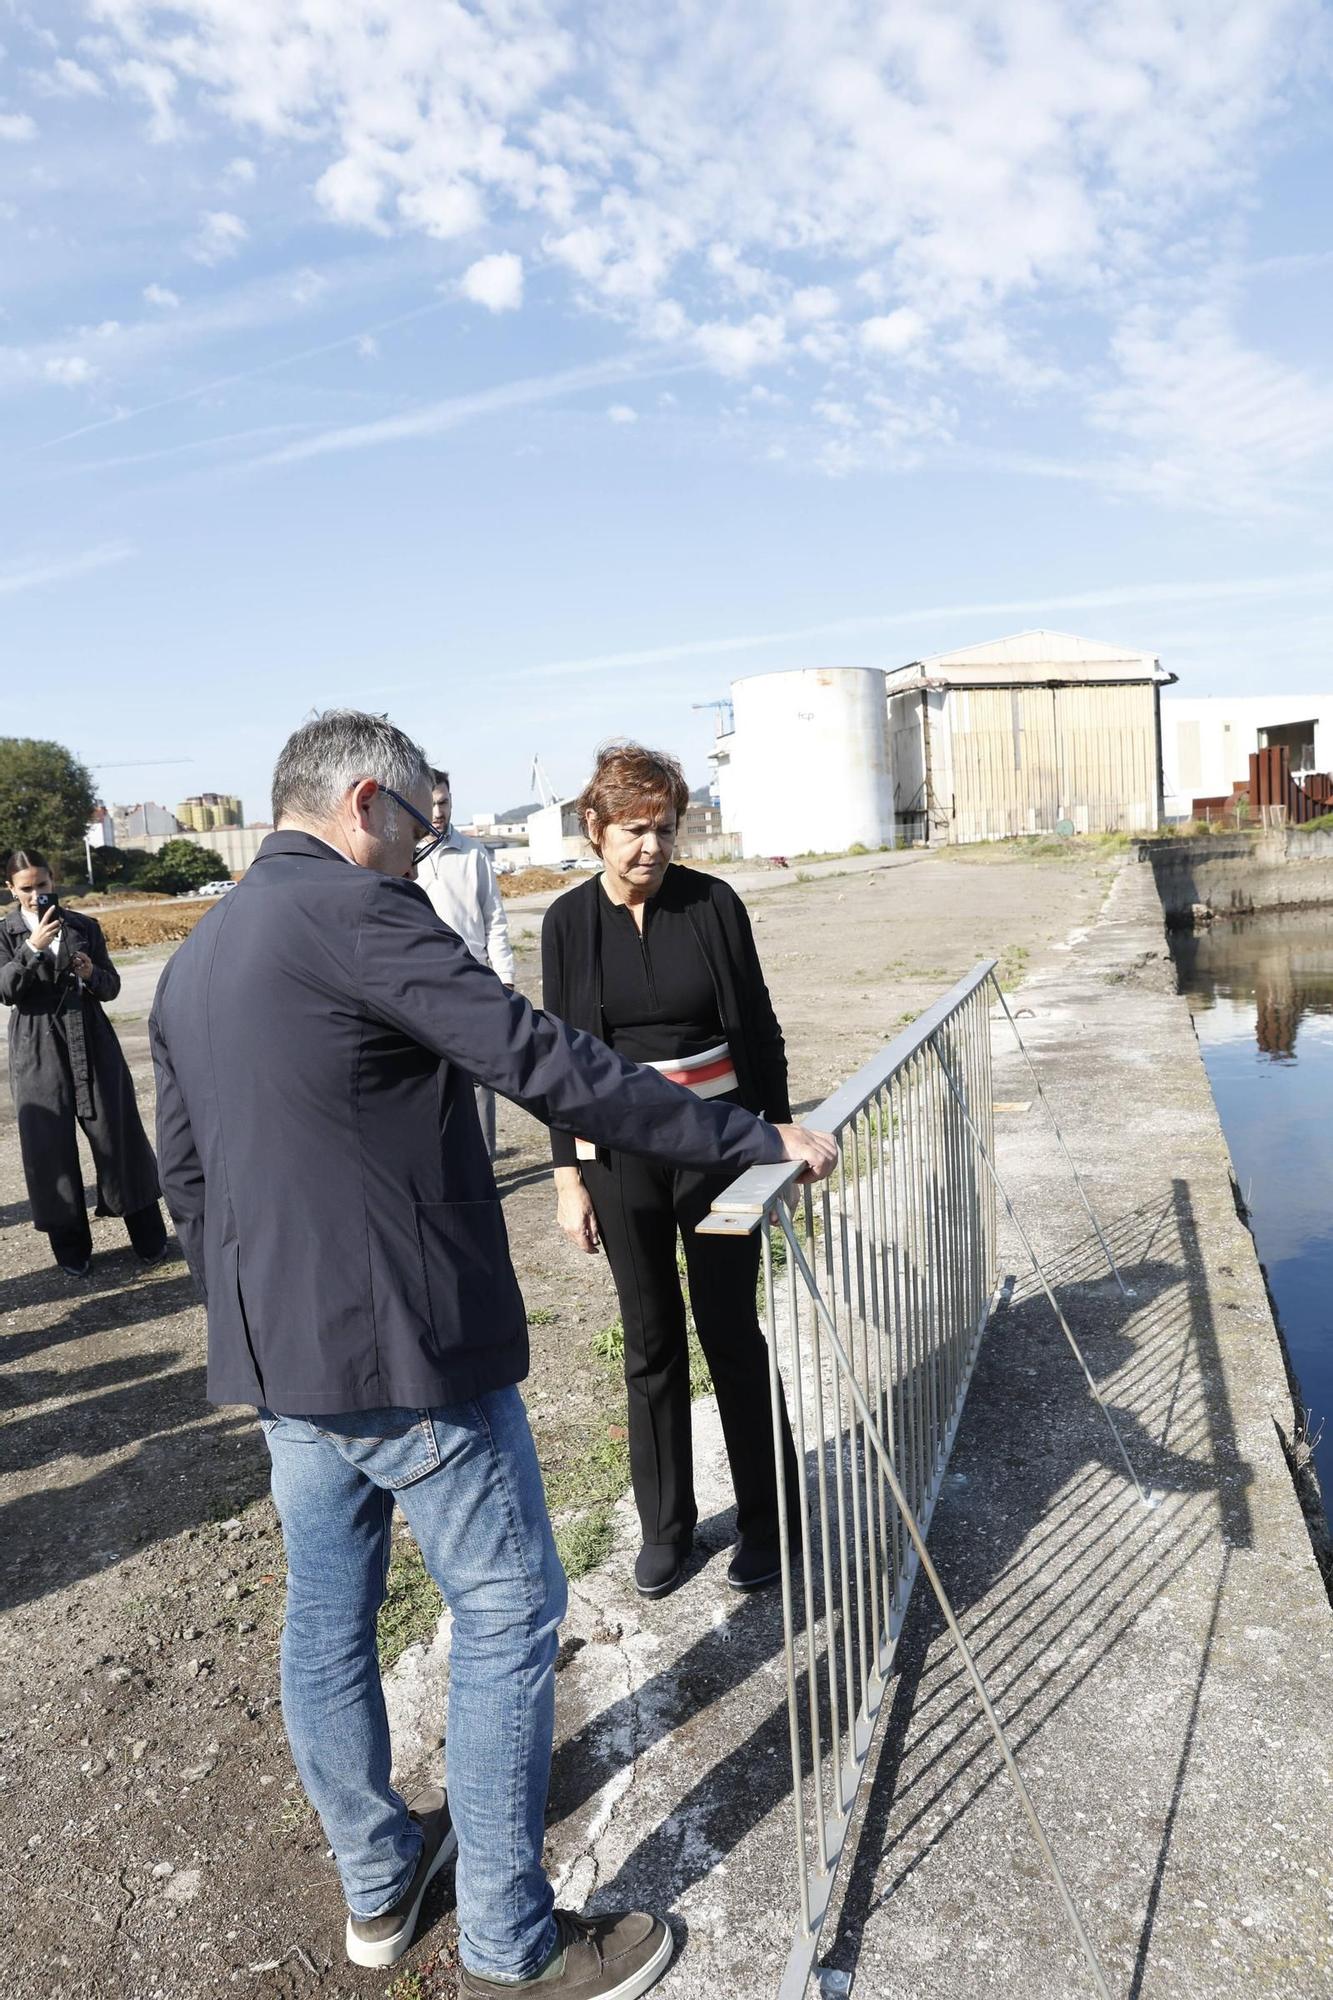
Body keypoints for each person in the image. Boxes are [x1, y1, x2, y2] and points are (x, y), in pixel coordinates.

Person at [148, 710, 836, 1998]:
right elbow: (541, 1059)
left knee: (327, 1620)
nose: (424, 850)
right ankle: (513, 1941)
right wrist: (743, 1136)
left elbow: (186, 1174)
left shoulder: (199, 958)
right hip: (408, 1353)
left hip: (281, 1358)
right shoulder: (359, 912)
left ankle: (376, 1884)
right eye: (419, 825)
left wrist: (251, 1313)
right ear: (364, 803)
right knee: (510, 1610)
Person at [541, 744, 803, 1601]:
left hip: (720, 1149)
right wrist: (569, 1178)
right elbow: (564, 1068)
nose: (649, 846)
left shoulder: (713, 904)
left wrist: (774, 1135)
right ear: (595, 828)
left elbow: (756, 1028)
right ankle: (667, 1527)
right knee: (649, 1341)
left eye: (663, 828)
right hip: (622, 1161)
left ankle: (770, 1518)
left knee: (730, 1328)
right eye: (632, 829)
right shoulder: (567, 924)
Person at [1, 849, 167, 1277]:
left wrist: (93, 973)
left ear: (53, 880)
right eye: (26, 888)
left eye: (42, 885)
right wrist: (32, 950)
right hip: (36, 1044)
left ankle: (148, 1236)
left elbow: (111, 987)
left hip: (90, 1033)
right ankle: (71, 1249)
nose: (36, 895)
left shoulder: (83, 926)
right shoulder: (5, 933)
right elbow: (5, 990)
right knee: (48, 1146)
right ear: (10, 889)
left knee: (119, 1134)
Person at [415, 767, 515, 1158]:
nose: (438, 812)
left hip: (474, 978)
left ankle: (486, 1162)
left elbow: (495, 918)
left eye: (444, 802)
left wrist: (504, 976)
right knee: (431, 1079)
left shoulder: (473, 853)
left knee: (480, 1077)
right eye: (431, 803)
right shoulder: (404, 856)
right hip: (422, 985)